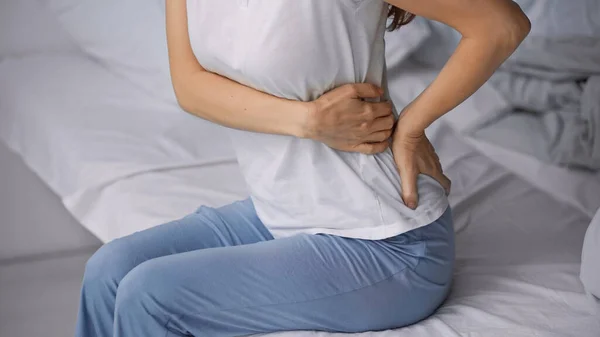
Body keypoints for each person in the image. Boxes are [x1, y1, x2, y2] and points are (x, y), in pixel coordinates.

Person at [75, 0, 530, 336]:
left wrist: (412, 124)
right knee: (108, 271)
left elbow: (501, 25)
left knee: (151, 296)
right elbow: (190, 85)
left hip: (386, 242)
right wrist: (310, 122)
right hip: (282, 214)